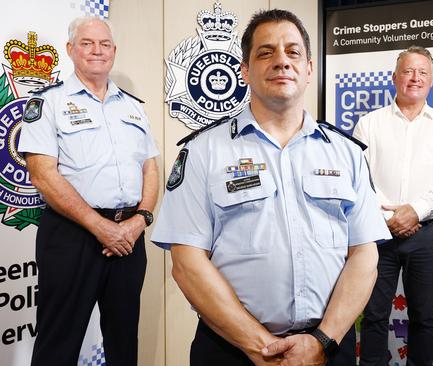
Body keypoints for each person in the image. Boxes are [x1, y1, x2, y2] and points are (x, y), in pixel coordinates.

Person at [151, 9, 390, 366]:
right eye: (266, 52)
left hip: (326, 348)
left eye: (293, 52)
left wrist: (322, 341)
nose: (281, 61)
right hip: (231, 350)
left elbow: (365, 255)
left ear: (310, 69)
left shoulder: (346, 153)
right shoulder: (203, 151)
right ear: (245, 70)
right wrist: (259, 346)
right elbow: (186, 263)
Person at [18, 16, 159, 366]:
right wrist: (101, 228)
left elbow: (150, 168)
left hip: (128, 236)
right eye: (87, 43)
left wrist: (139, 221)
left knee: (124, 341)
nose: (97, 51)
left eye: (105, 44)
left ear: (113, 51)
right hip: (72, 237)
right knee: (59, 343)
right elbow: (43, 175)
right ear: (70, 50)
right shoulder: (47, 104)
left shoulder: (132, 107)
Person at [354, 46, 433, 365]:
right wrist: (389, 218)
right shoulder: (369, 124)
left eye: (422, 73)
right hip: (378, 234)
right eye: (407, 71)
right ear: (394, 78)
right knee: (374, 316)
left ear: (432, 81)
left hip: (426, 234)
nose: (414, 78)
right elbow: (359, 180)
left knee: (423, 318)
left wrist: (414, 211)